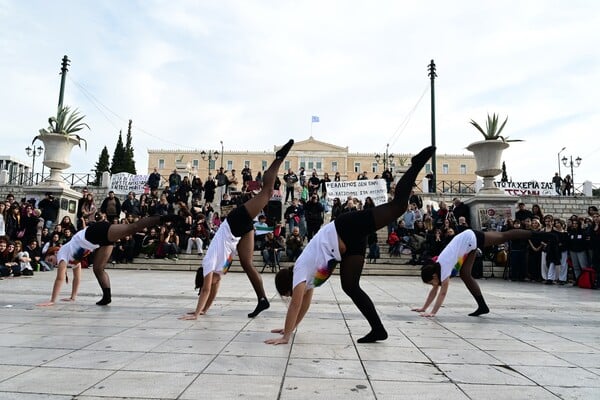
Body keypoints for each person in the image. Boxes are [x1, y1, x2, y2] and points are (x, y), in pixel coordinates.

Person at [266, 146, 435, 345]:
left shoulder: (301, 271)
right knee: (351, 286)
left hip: (345, 227)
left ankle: (415, 165)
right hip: (346, 246)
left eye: (288, 293)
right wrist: (290, 328)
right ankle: (378, 330)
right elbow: (303, 305)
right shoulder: (307, 280)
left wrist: (285, 336)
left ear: (289, 286)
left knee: (398, 206)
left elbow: (295, 306)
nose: (292, 296)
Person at [179, 139, 294, 321]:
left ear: (205, 279)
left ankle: (279, 158)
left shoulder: (209, 263)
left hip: (235, 221)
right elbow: (211, 293)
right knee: (247, 264)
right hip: (238, 233)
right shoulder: (217, 272)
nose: (214, 284)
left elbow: (207, 290)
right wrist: (202, 311)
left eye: (207, 284)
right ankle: (262, 299)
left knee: (267, 192)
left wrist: (195, 313)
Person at [37, 213, 182, 306]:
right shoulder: (72, 259)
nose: (52, 263)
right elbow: (76, 278)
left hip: (95, 232)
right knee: (98, 268)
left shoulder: (62, 254)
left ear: (53, 253)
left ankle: (164, 218)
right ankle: (107, 297)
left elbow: (59, 279)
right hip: (97, 241)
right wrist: (73, 297)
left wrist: (52, 300)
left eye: (50, 260)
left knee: (132, 228)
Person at [413, 227, 556, 317]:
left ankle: (542, 235)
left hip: (472, 237)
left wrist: (433, 312)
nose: (433, 285)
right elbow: (434, 291)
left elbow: (442, 293)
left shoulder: (443, 270)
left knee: (504, 236)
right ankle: (482, 306)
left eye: (431, 281)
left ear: (433, 276)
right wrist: (423, 308)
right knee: (465, 274)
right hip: (467, 245)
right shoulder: (438, 268)